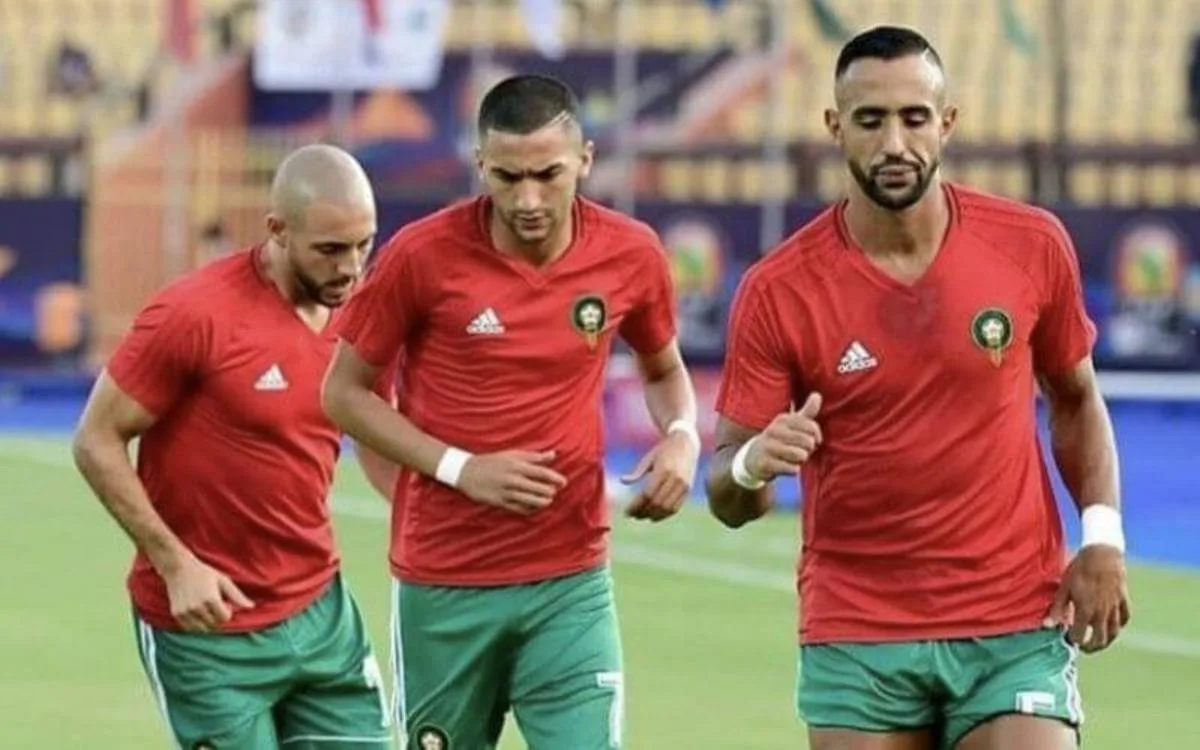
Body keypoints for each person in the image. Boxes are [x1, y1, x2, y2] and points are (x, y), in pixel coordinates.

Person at [705, 26, 1130, 750]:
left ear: (947, 123)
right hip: (858, 629)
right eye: (871, 120)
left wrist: (1103, 539)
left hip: (1013, 616)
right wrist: (751, 464)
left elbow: (1076, 398)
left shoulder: (1030, 244)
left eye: (914, 117)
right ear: (836, 128)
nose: (895, 143)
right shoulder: (778, 290)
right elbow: (727, 495)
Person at [321, 74, 700, 750]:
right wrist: (460, 469)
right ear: (480, 166)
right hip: (445, 584)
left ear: (584, 159)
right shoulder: (421, 256)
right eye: (507, 176)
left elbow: (664, 370)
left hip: (571, 579)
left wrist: (681, 435)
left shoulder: (631, 253)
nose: (528, 199)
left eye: (548, 175)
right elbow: (344, 392)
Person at [72, 144, 398, 749]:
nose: (351, 267)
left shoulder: (363, 313)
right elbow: (96, 439)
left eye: (364, 244)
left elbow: (376, 429)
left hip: (322, 615)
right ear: (277, 230)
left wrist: (432, 523)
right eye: (330, 249)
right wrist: (175, 565)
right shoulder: (196, 313)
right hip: (208, 632)